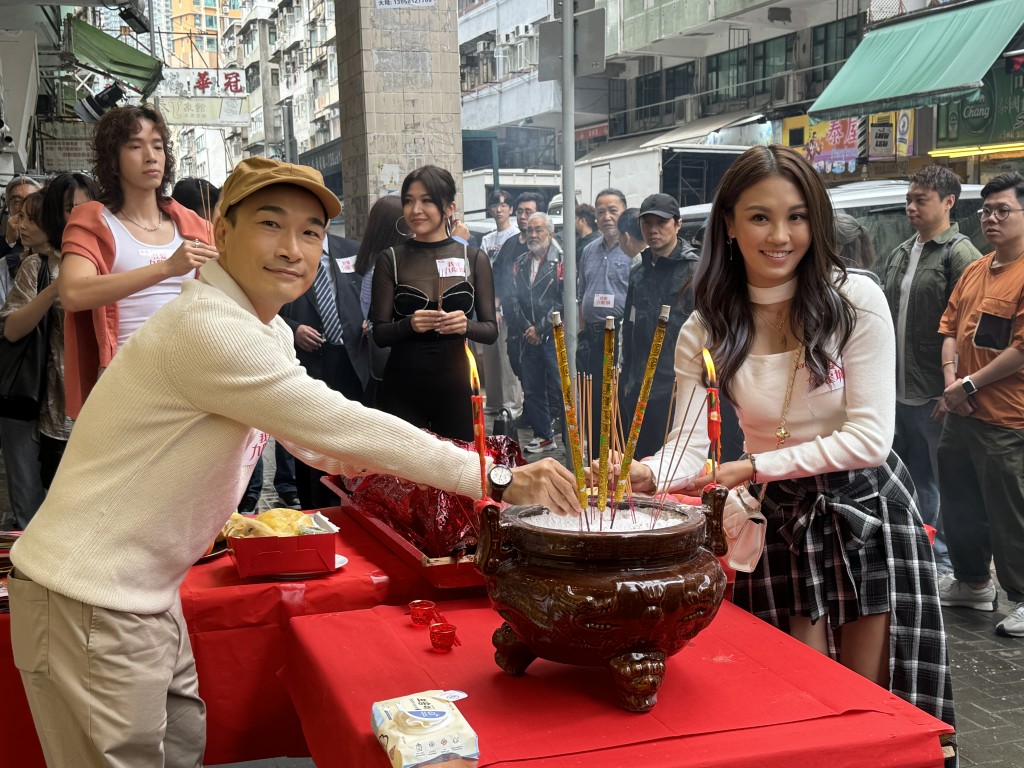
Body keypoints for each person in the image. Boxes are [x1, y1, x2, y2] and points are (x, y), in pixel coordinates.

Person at [7, 158, 578, 768]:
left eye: (310, 232)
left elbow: (324, 445)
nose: (292, 248)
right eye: (270, 224)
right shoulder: (209, 327)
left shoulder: (261, 327)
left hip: (144, 593)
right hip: (91, 594)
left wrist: (403, 469)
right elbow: (339, 423)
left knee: (177, 750)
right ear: (220, 234)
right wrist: (492, 477)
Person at [619, 145, 954, 730]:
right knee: (792, 698)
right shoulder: (706, 324)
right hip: (778, 518)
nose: (780, 235)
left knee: (867, 701)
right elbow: (689, 447)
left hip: (863, 512)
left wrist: (751, 468)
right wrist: (641, 472)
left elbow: (871, 439)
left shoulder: (855, 299)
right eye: (760, 217)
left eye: (797, 216)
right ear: (729, 223)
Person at [58, 104, 217, 418]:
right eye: (135, 146)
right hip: (126, 383)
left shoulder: (194, 225)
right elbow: (73, 294)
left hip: (191, 381)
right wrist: (166, 268)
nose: (151, 155)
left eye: (157, 146)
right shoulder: (93, 220)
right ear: (112, 159)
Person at [876, 166, 980, 572]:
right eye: (910, 199)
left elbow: (967, 329)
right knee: (912, 476)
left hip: (936, 391)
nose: (911, 207)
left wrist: (951, 388)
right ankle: (919, 554)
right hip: (900, 389)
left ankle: (949, 564)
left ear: (948, 202)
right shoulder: (904, 251)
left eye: (921, 200)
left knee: (946, 480)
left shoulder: (960, 254)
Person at [936, 172, 1024, 639]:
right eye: (987, 210)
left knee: (1011, 510)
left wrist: (967, 386)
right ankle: (972, 582)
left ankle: (1023, 595)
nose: (991, 218)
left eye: (1003, 210)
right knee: (960, 501)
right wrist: (953, 385)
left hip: (1007, 418)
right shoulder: (976, 268)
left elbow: (1021, 349)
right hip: (962, 414)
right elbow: (949, 327)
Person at [371, 165, 498, 442]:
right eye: (409, 200)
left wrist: (466, 325)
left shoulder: (474, 258)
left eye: (427, 200)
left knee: (458, 471)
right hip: (402, 384)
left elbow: (490, 331)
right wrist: (409, 324)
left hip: (457, 383)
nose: (416, 209)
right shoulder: (390, 259)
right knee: (403, 475)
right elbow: (378, 333)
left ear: (450, 207)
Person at [280, 219, 368, 509]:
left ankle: (354, 504)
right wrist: (293, 329)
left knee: (353, 436)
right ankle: (316, 507)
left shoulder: (352, 251)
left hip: (352, 358)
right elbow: (261, 305)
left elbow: (368, 294)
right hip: (309, 361)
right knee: (312, 439)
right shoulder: (283, 252)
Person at [620, 193, 698, 459]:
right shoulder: (638, 273)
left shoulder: (695, 271)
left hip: (678, 390)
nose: (653, 230)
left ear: (677, 225)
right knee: (641, 464)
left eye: (661, 223)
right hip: (640, 387)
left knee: (674, 469)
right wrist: (627, 379)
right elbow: (628, 329)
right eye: (647, 223)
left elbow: (711, 334)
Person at [577, 188, 631, 446]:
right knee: (592, 399)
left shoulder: (633, 250)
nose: (606, 217)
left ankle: (617, 459)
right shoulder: (588, 250)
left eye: (613, 211)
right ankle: (595, 460)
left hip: (620, 337)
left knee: (616, 400)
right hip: (592, 337)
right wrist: (583, 331)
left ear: (624, 214)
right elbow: (581, 293)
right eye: (601, 212)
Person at [508, 212, 564, 454]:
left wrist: (540, 328)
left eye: (538, 230)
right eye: (529, 230)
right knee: (532, 388)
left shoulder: (561, 260)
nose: (532, 234)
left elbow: (563, 302)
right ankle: (543, 436)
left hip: (554, 334)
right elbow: (512, 299)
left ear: (549, 233)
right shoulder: (520, 261)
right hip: (527, 335)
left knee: (563, 388)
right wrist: (527, 328)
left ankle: (574, 439)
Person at [1, 176, 42, 304]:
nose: (24, 206)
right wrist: (9, 240)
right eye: (17, 201)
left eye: (31, 200)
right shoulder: (5, 263)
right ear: (8, 207)